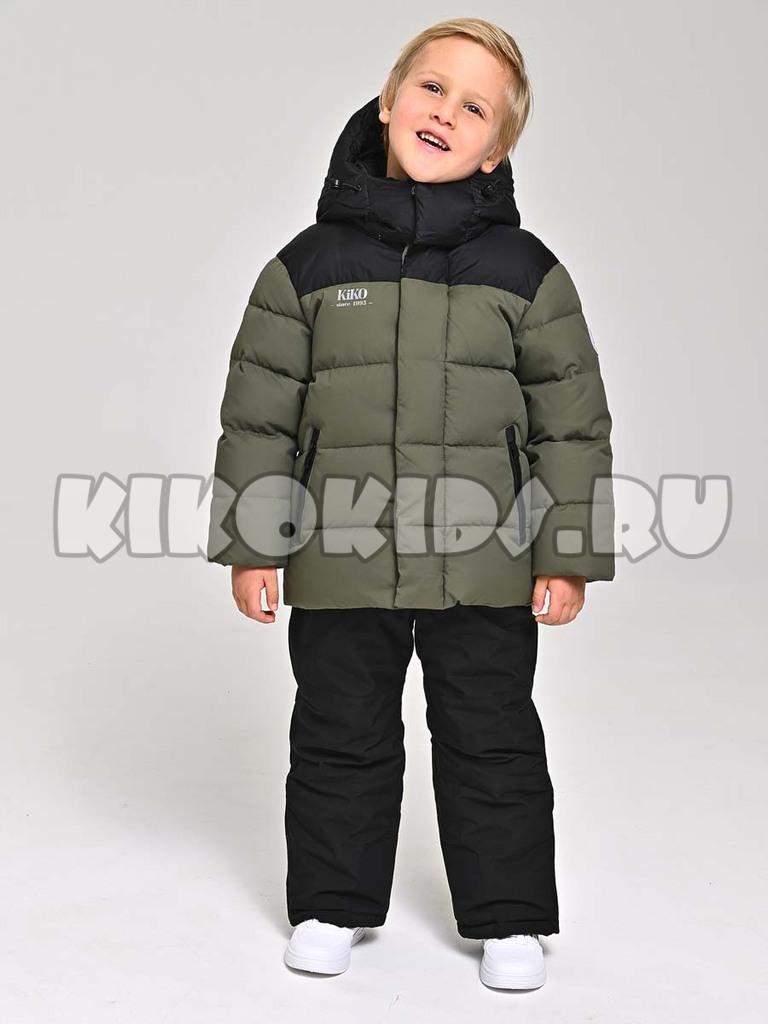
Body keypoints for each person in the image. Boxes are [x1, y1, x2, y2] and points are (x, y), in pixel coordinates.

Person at [206, 18, 616, 991]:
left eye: (474, 107)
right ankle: (331, 902)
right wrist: (254, 544)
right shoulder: (306, 267)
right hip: (342, 560)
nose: (445, 113)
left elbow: (571, 424)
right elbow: (260, 412)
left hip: (485, 565)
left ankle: (510, 917)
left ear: (497, 147)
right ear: (389, 102)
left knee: (491, 737)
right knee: (340, 731)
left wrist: (565, 553)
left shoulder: (527, 274)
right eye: (432, 88)